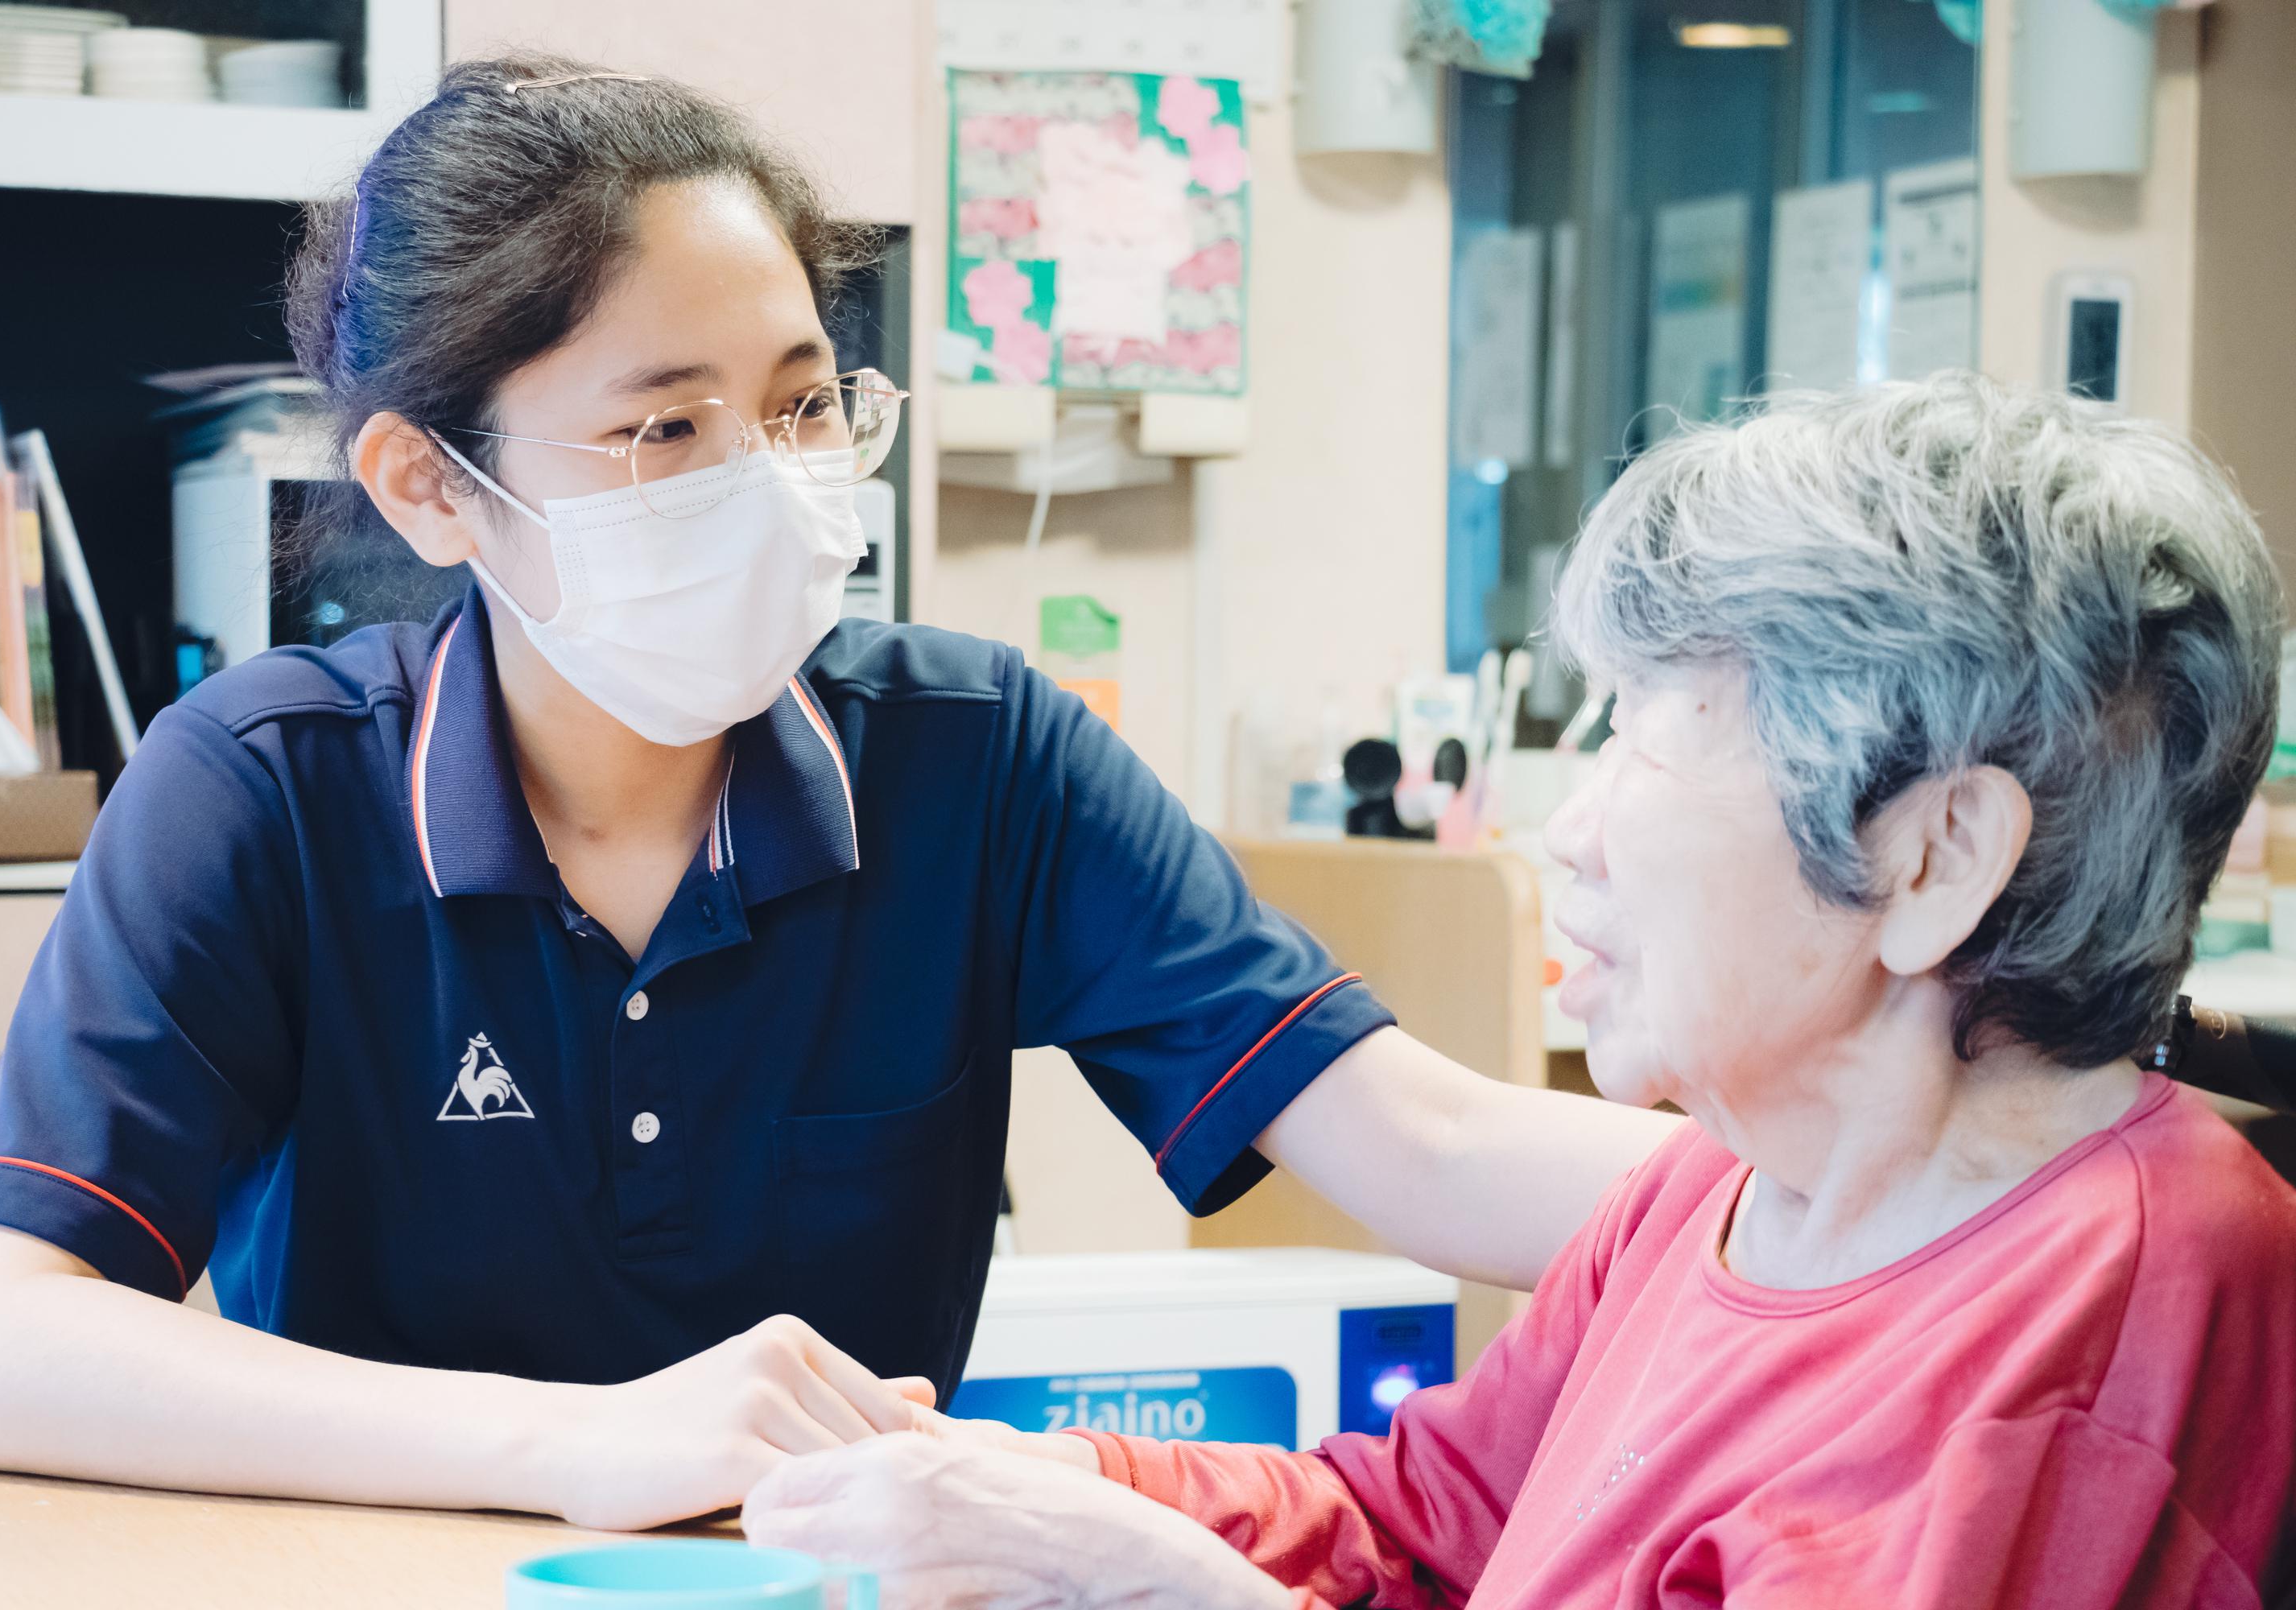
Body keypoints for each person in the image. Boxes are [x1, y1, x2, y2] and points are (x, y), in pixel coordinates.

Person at [0, 56, 1678, 1529]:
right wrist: (584, 1440)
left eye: (804, 405)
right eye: (666, 429)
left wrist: (1904, 1186)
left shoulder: (975, 757)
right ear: (431, 490)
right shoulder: (261, 793)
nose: (766, 485)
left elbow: (1423, 1138)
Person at [741, 375, 2296, 1608]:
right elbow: (1417, 1533)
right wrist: (1034, 1486)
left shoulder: (2093, 1347)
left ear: (1936, 855)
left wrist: (1158, 1586)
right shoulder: (1717, 1195)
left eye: (1650, 733)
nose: (1573, 825)